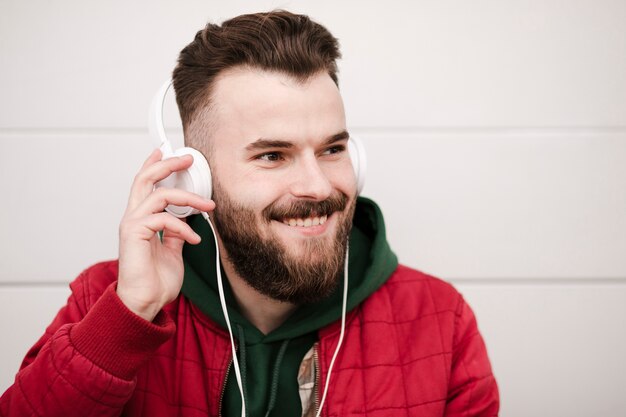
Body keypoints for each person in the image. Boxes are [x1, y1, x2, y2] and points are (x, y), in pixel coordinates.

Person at [0, 10, 499, 417]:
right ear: (195, 177)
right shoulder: (107, 305)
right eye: (271, 155)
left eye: (332, 149)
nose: (318, 186)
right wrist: (128, 317)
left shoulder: (439, 318)